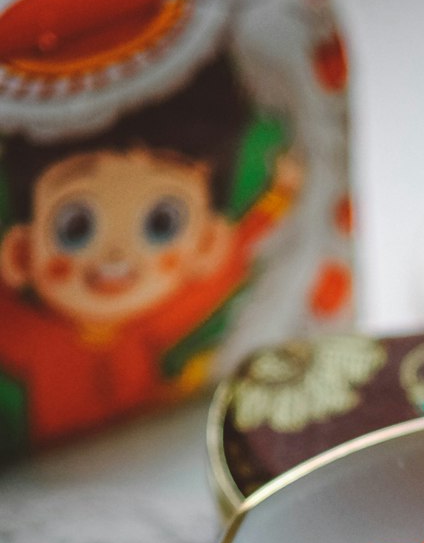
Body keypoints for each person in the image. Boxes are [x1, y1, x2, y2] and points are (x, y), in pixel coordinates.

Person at [0, 51, 297, 456]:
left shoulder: (154, 324)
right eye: (75, 228)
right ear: (18, 254)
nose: (117, 257)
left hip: (166, 444)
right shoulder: (30, 339)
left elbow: (230, 265)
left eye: (162, 223)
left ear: (206, 243)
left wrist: (276, 200)